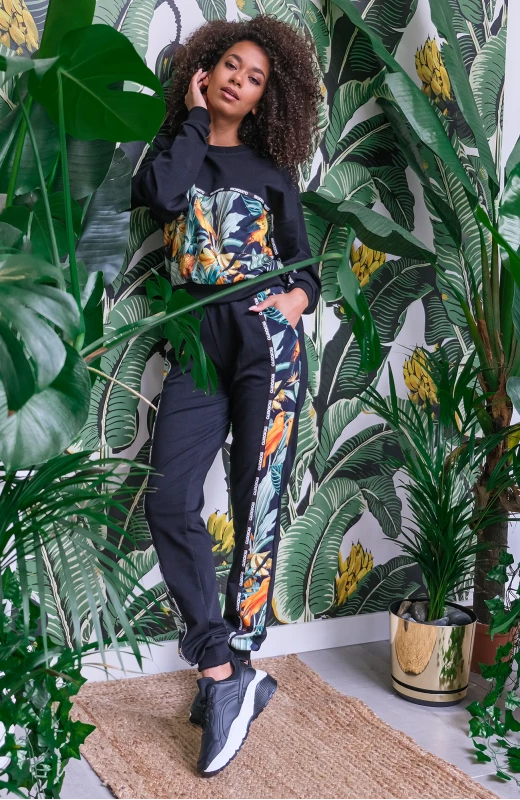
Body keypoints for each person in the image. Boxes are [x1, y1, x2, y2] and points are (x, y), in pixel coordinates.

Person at [131, 15, 322, 777]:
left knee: (256, 497)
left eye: (255, 77)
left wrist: (295, 301)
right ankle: (220, 667)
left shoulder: (273, 172)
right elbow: (160, 195)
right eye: (231, 67)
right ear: (205, 72)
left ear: (268, 96)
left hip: (264, 337)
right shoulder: (176, 152)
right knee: (169, 498)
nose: (240, 81)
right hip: (196, 339)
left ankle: (236, 662)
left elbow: (304, 267)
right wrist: (194, 117)